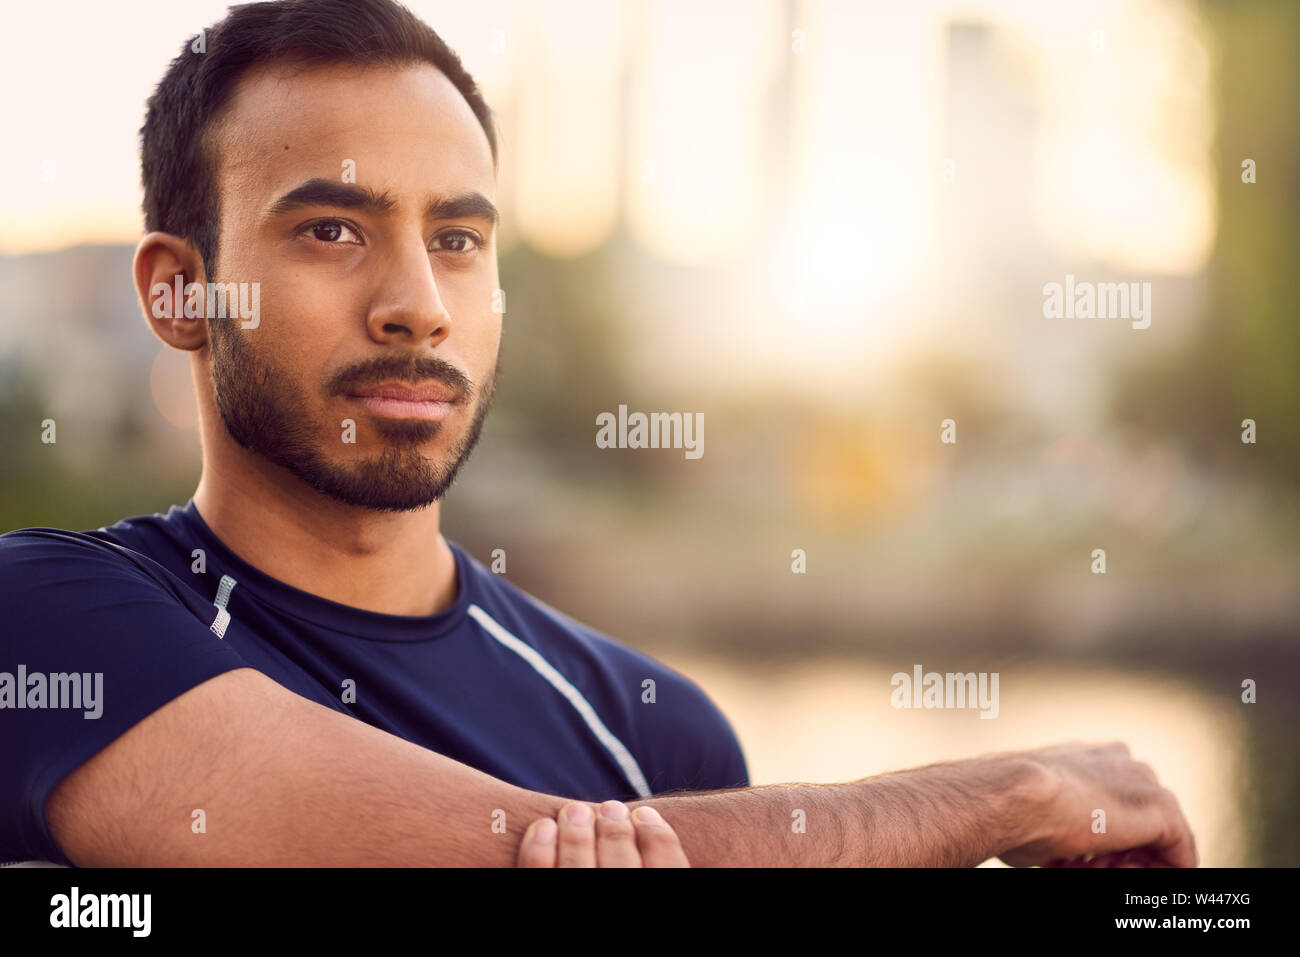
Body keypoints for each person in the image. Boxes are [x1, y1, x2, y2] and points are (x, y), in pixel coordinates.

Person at [0, 0, 1196, 869]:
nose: (416, 300)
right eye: (330, 231)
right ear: (178, 292)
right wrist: (1008, 795)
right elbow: (492, 854)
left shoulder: (653, 725)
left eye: (459, 240)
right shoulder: (47, 616)